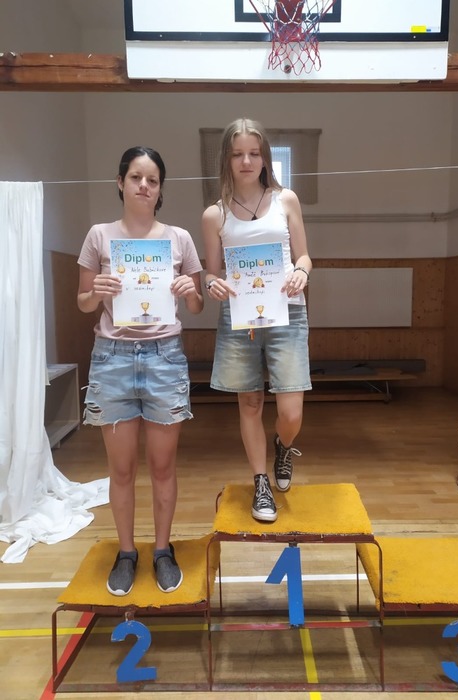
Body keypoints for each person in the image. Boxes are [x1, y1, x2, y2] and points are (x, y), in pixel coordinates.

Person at [77, 146, 203, 596]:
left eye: (152, 180)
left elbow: (196, 305)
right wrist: (97, 291)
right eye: (135, 177)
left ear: (160, 188)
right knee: (122, 469)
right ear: (120, 182)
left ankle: (163, 550)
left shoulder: (179, 239)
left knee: (163, 466)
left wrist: (190, 289)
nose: (144, 186)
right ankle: (127, 552)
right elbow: (83, 303)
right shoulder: (99, 235)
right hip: (112, 358)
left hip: (164, 358)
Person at [202, 118, 312, 523]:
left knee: (291, 411)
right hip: (240, 316)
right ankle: (260, 481)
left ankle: (283, 446)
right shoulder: (214, 215)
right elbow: (211, 272)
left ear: (265, 157)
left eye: (253, 153)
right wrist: (211, 283)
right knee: (249, 402)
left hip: (287, 310)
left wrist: (301, 271)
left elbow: (304, 256)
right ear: (226, 160)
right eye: (237, 154)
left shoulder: (286, 200)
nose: (246, 161)